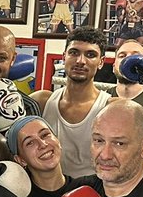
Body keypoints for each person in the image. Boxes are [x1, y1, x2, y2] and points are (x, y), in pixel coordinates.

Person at [29, 27, 113, 178]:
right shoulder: (41, 101)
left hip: (92, 192)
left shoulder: (111, 107)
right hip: (48, 190)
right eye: (74, 53)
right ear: (63, 57)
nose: (80, 61)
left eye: (90, 55)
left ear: (101, 62)